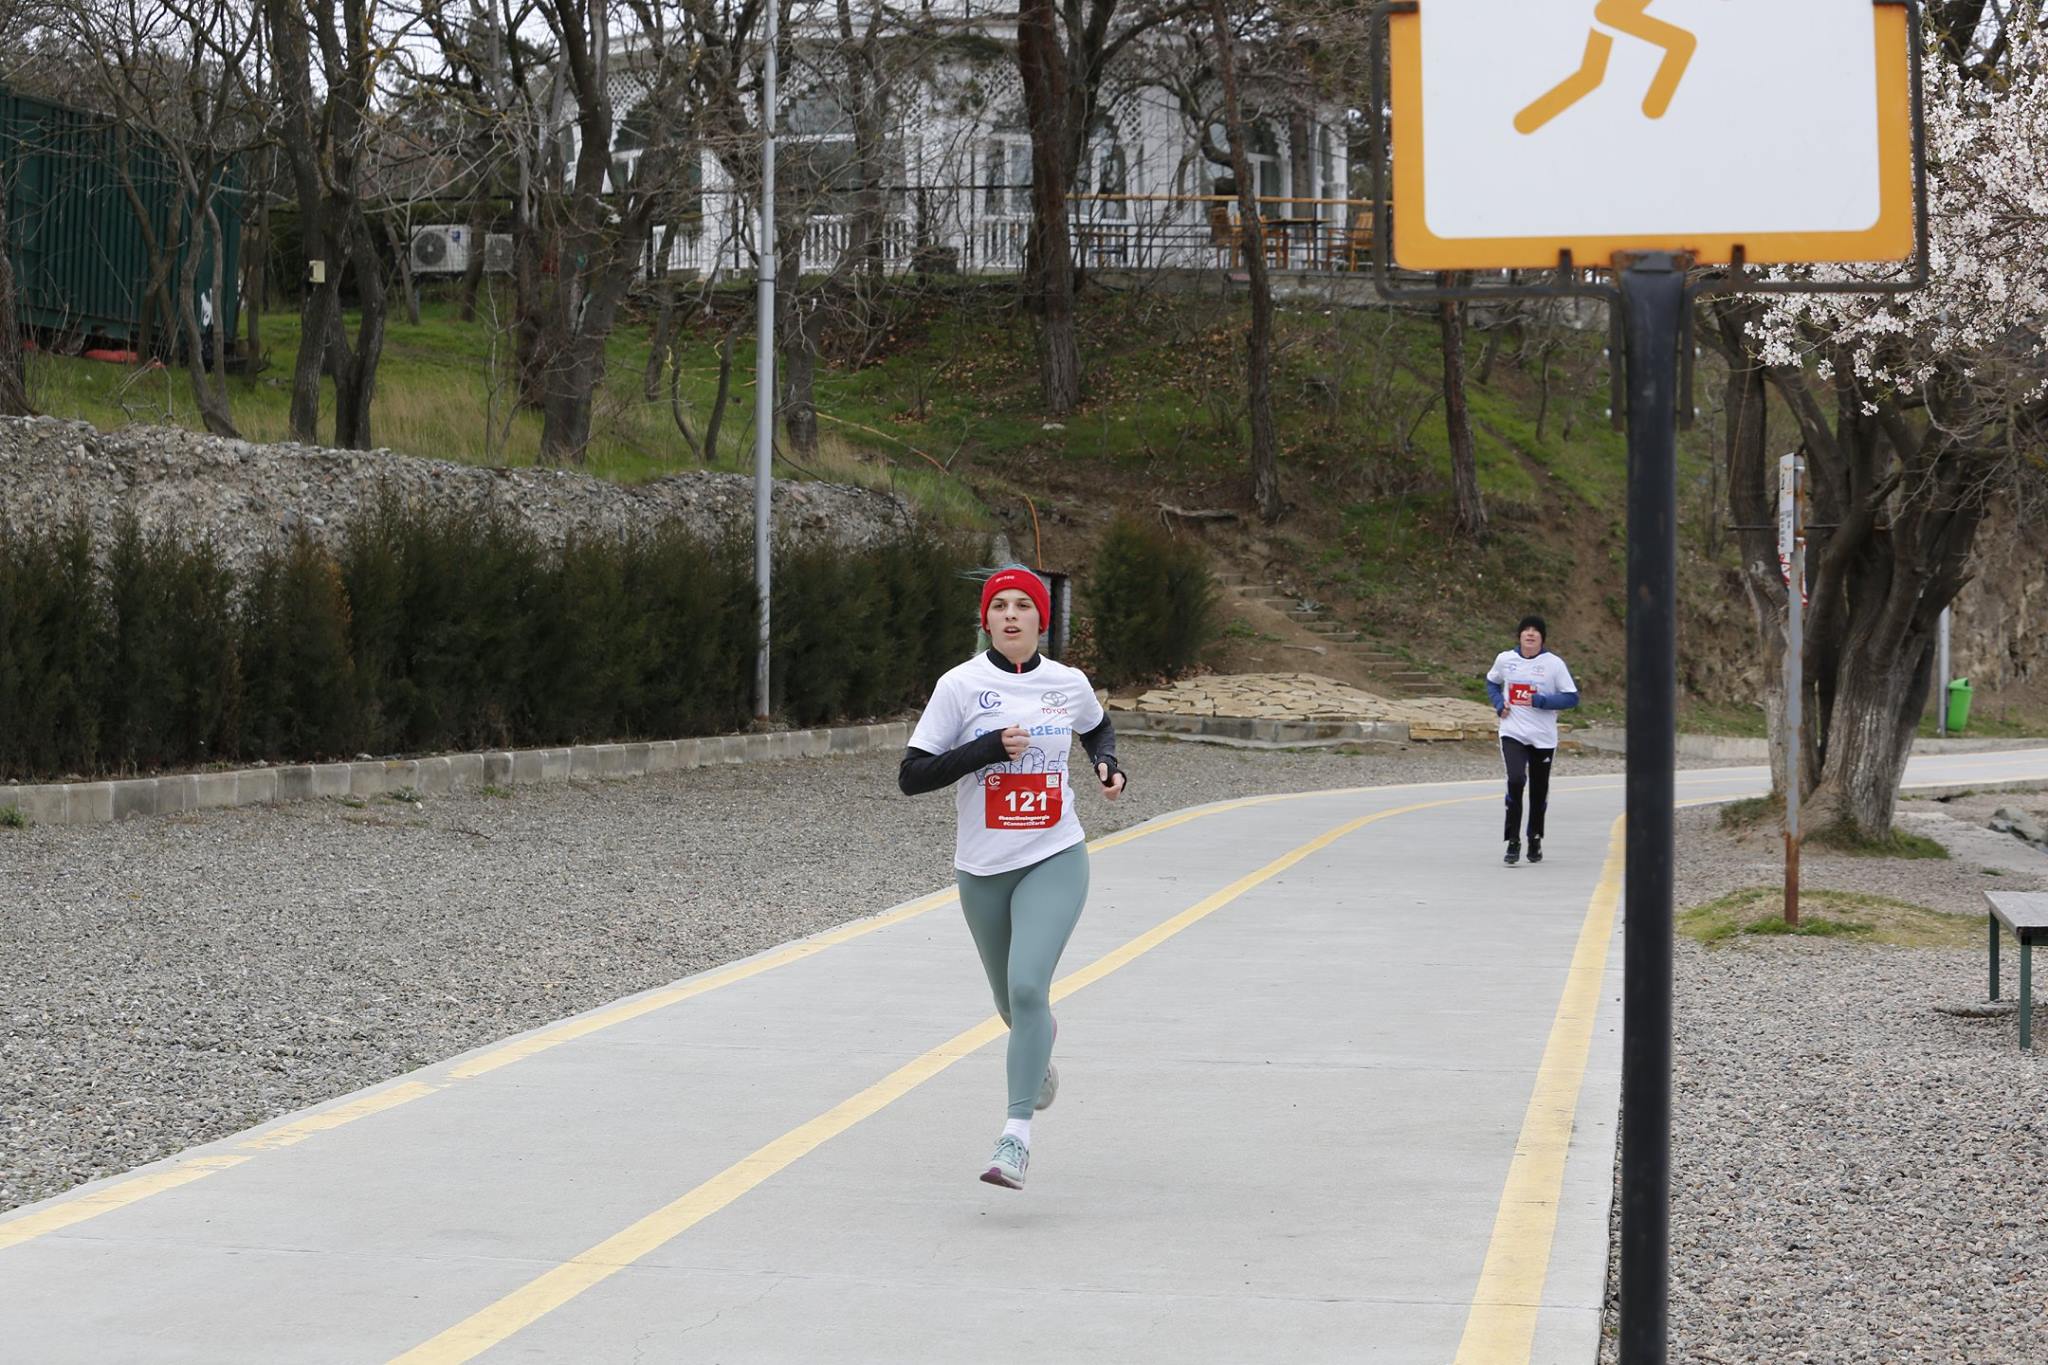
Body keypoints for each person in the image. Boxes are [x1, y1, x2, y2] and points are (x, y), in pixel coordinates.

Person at [898, 566, 1127, 1189]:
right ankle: (1038, 1054)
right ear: (986, 619)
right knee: (1010, 1004)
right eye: (998, 605)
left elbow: (1097, 727)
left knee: (1028, 988)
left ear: (1040, 620)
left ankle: (1014, 1138)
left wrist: (1107, 765)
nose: (1010, 615)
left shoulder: (1067, 683)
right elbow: (912, 776)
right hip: (982, 869)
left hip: (1055, 854)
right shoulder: (960, 685)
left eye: (1023, 605)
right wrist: (987, 749)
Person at [1486, 614, 1579, 866]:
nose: (1530, 634)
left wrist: (1540, 701)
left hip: (1543, 737)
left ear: (1542, 637)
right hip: (1512, 731)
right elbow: (1492, 682)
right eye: (1525, 630)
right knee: (1516, 780)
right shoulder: (1505, 659)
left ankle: (1534, 837)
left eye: (1535, 630)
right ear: (1519, 636)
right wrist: (1499, 704)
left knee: (1538, 790)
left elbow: (1571, 697)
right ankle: (1513, 840)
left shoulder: (1554, 664)